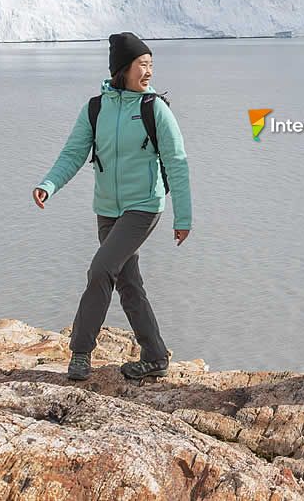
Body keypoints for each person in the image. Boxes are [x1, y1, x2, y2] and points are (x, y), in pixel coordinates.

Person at [33, 32, 192, 381]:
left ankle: (79, 353)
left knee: (101, 269)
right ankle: (154, 356)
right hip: (107, 209)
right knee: (128, 283)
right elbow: (73, 153)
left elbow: (177, 162)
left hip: (143, 208)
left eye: (151, 65)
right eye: (142, 65)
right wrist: (49, 184)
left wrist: (184, 216)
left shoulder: (155, 110)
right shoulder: (96, 108)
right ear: (123, 68)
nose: (148, 72)